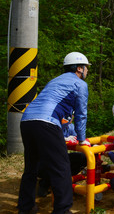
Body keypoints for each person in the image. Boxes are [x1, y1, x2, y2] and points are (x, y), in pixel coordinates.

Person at [18, 52, 91, 214]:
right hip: (46, 122)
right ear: (79, 68)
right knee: (61, 167)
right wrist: (81, 139)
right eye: (86, 68)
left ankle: (26, 207)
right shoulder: (80, 84)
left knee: (31, 167)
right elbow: (81, 114)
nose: (87, 71)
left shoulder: (55, 80)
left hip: (27, 121)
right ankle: (62, 210)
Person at [37, 116, 87, 198]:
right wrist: (62, 139)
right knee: (53, 159)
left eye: (70, 116)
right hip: (43, 162)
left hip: (60, 158)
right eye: (65, 116)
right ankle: (45, 183)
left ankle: (67, 180)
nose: (68, 119)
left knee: (83, 157)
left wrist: (90, 144)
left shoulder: (70, 127)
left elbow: (79, 140)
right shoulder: (49, 126)